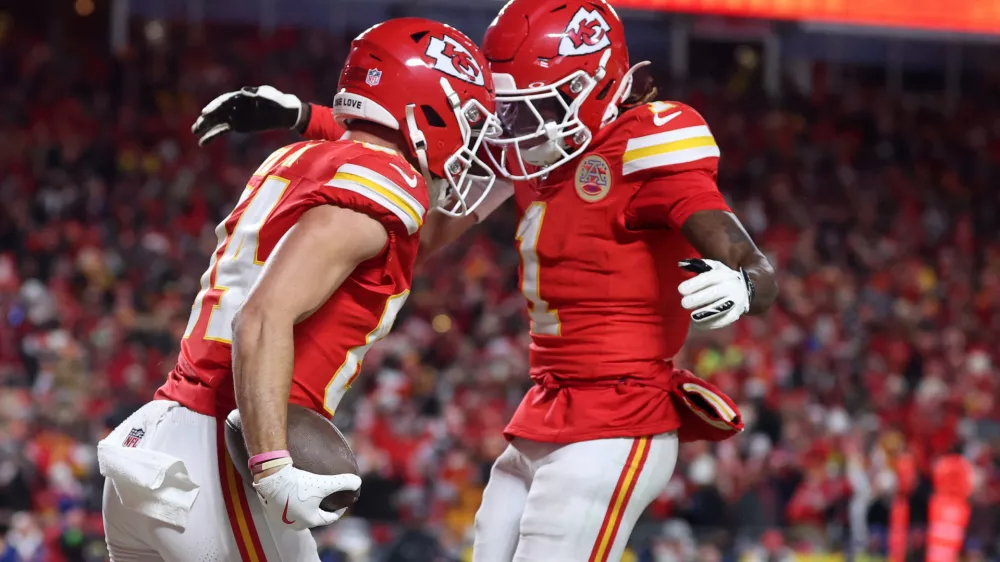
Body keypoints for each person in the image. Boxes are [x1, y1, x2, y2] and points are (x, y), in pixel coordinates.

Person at [193, 1, 778, 559]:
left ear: (595, 86)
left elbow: (754, 262)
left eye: (538, 107)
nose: (517, 127)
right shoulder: (539, 146)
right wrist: (306, 116)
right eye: (511, 107)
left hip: (622, 414)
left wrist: (745, 283)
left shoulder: (646, 145)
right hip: (546, 405)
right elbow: (415, 138)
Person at [98, 18, 499, 562]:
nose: (473, 137)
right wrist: (272, 468)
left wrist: (512, 178)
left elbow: (406, 237)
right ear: (426, 105)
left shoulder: (295, 159)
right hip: (225, 456)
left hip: (165, 439)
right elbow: (260, 317)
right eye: (468, 116)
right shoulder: (386, 179)